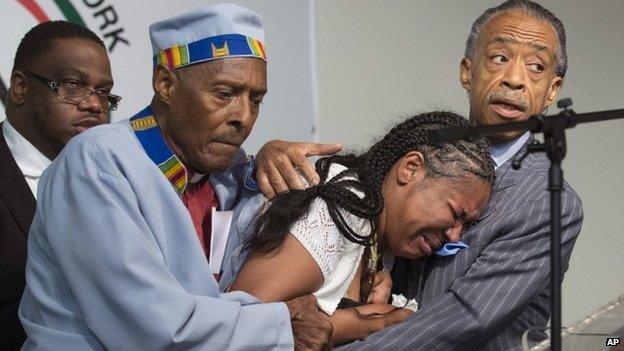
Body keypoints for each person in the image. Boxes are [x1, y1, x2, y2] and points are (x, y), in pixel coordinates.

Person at [255, 1, 583, 349]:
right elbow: (368, 191)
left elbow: (463, 320)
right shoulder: (429, 148)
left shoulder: (548, 200)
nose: (515, 79)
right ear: (467, 71)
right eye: (499, 58)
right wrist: (264, 154)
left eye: (535, 67)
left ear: (552, 90)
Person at [19, 4, 332, 350]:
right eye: (224, 94)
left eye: (255, 99)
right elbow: (153, 330)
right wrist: (282, 322)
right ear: (165, 83)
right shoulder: (98, 162)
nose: (243, 117)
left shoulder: (228, 175)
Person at [229, 111, 496, 345]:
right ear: (411, 169)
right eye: (455, 213)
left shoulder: (383, 239)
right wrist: (368, 324)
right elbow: (238, 324)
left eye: (466, 225)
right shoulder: (338, 208)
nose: (455, 235)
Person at [0, 21, 118, 350]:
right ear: (21, 87)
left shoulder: (115, 180)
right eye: (73, 86)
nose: (95, 105)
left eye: (104, 92)